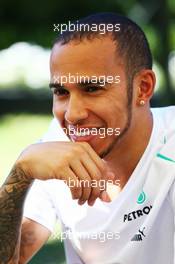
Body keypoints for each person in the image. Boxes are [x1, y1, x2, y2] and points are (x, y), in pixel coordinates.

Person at [0, 12, 175, 264]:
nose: (73, 114)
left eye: (92, 89)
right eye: (61, 92)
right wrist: (21, 172)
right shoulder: (56, 145)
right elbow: (12, 257)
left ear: (143, 87)